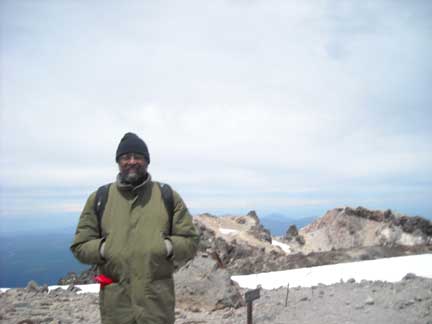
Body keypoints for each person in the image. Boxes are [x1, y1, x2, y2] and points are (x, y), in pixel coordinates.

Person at [71, 132, 199, 324]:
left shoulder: (167, 195)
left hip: (156, 308)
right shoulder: (99, 198)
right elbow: (80, 246)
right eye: (125, 157)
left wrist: (165, 247)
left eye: (138, 156)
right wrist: (106, 248)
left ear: (146, 161)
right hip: (117, 309)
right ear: (118, 162)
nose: (132, 161)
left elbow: (191, 242)